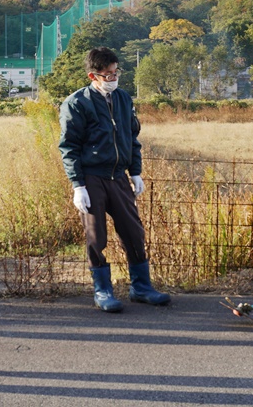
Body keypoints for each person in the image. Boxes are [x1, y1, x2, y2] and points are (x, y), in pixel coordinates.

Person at [58, 47, 170, 313]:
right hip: (92, 178)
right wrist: (78, 185)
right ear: (92, 76)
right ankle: (103, 290)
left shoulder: (123, 98)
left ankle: (141, 287)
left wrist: (136, 172)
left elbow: (131, 137)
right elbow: (69, 147)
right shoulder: (76, 103)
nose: (113, 78)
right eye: (107, 75)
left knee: (133, 231)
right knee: (96, 236)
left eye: (115, 72)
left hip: (119, 176)